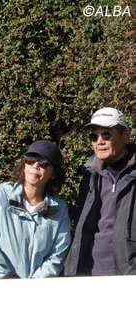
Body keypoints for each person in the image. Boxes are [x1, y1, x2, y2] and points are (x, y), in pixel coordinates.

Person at [0, 140, 71, 279]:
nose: (35, 165)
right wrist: (7, 279)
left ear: (53, 174)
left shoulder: (60, 211)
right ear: (24, 165)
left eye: (43, 163)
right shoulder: (0, 196)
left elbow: (57, 255)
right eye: (31, 159)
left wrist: (32, 285)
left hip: (34, 291)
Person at [64, 107, 136, 276]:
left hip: (128, 275)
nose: (99, 141)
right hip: (87, 273)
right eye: (94, 137)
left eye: (106, 134)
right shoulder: (89, 175)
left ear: (125, 135)